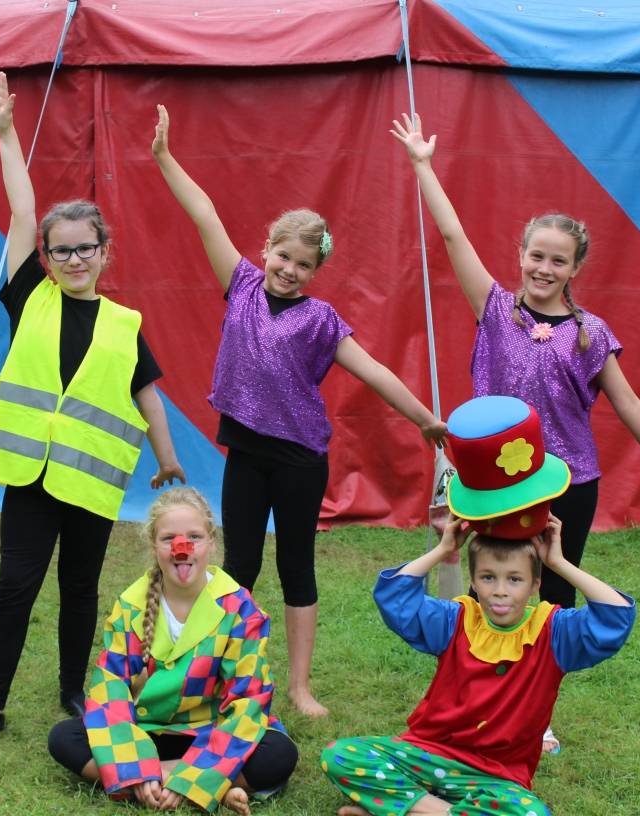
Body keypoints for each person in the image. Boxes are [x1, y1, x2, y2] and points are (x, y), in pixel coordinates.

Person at [391, 112, 640, 750]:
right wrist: (422, 163)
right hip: (495, 485)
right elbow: (451, 236)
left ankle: (535, 715)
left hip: (567, 481)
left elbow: (630, 402)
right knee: (490, 589)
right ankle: (471, 694)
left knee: (549, 598)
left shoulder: (591, 333)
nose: (544, 268)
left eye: (558, 260)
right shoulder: (496, 309)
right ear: (521, 256)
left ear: (575, 266)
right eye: (536, 255)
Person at [152, 105, 447, 717]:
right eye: (282, 257)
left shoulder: (322, 320)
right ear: (266, 249)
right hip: (246, 452)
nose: (289, 270)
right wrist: (164, 158)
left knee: (296, 566)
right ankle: (216, 672)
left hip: (299, 459)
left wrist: (425, 419)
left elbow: (374, 371)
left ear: (317, 272)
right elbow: (204, 212)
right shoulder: (241, 283)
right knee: (238, 564)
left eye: (304, 265)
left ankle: (299, 686)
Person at [0, 73, 185, 744]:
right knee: (15, 587)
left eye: (86, 247)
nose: (74, 257)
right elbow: (22, 213)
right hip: (31, 474)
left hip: (91, 481)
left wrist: (167, 461)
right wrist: (5, 134)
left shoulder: (124, 322)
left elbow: (148, 394)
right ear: (46, 259)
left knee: (79, 591)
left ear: (104, 253)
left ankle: (74, 695)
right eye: (62, 249)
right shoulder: (31, 299)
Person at [322, 514, 635, 816]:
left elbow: (616, 616)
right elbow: (394, 598)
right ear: (472, 580)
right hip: (429, 755)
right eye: (488, 577)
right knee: (340, 755)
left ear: (535, 584)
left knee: (531, 813)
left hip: (496, 776)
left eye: (514, 579)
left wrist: (559, 563)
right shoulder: (456, 620)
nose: (500, 590)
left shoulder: (553, 632)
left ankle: (407, 807)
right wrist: (443, 549)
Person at [47, 487, 298, 814]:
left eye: (194, 536)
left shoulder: (239, 609)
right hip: (147, 732)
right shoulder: (132, 605)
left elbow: (249, 698)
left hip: (210, 732)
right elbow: (110, 686)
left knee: (278, 752)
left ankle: (157, 780)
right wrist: (136, 759)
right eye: (169, 539)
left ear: (211, 541)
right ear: (154, 545)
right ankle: (217, 787)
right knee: (65, 737)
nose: (182, 548)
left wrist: (179, 771)